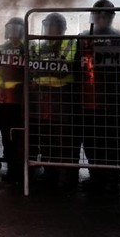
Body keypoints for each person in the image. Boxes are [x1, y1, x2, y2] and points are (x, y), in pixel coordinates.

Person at [78, 0, 120, 192]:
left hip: (111, 98)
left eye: (106, 15)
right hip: (89, 98)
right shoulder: (84, 36)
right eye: (99, 15)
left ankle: (111, 176)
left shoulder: (118, 37)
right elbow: (77, 64)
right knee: (91, 139)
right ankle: (96, 175)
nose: (102, 18)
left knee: (111, 139)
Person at [30, 12, 78, 189]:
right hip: (41, 97)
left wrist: (45, 70)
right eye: (47, 25)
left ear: (62, 28)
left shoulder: (70, 43)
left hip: (62, 97)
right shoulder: (36, 46)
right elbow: (33, 69)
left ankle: (63, 174)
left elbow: (64, 66)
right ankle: (49, 171)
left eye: (53, 25)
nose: (49, 29)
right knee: (44, 136)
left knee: (62, 137)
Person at [0, 17, 26, 185]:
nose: (13, 33)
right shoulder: (0, 48)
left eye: (16, 29)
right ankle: (12, 169)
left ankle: (22, 170)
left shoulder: (27, 48)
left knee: (21, 136)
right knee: (7, 135)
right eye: (11, 29)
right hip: (5, 99)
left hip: (22, 100)